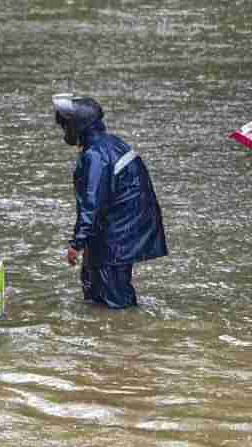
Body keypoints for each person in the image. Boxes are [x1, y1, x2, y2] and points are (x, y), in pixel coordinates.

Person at [53, 94, 168, 309]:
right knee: (94, 284)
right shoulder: (111, 144)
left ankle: (124, 332)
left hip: (118, 236)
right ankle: (106, 333)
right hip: (121, 229)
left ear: (78, 127)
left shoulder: (96, 155)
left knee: (113, 295)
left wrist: (77, 244)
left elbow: (91, 203)